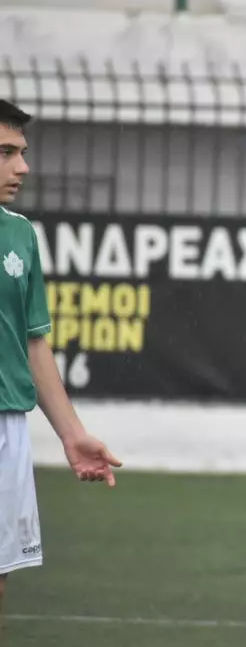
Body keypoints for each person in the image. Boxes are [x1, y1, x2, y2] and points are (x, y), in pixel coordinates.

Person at [0, 99, 122, 630]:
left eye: (21, 152)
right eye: (5, 153)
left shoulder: (19, 235)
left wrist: (73, 435)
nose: (22, 167)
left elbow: (33, 344)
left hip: (7, 426)